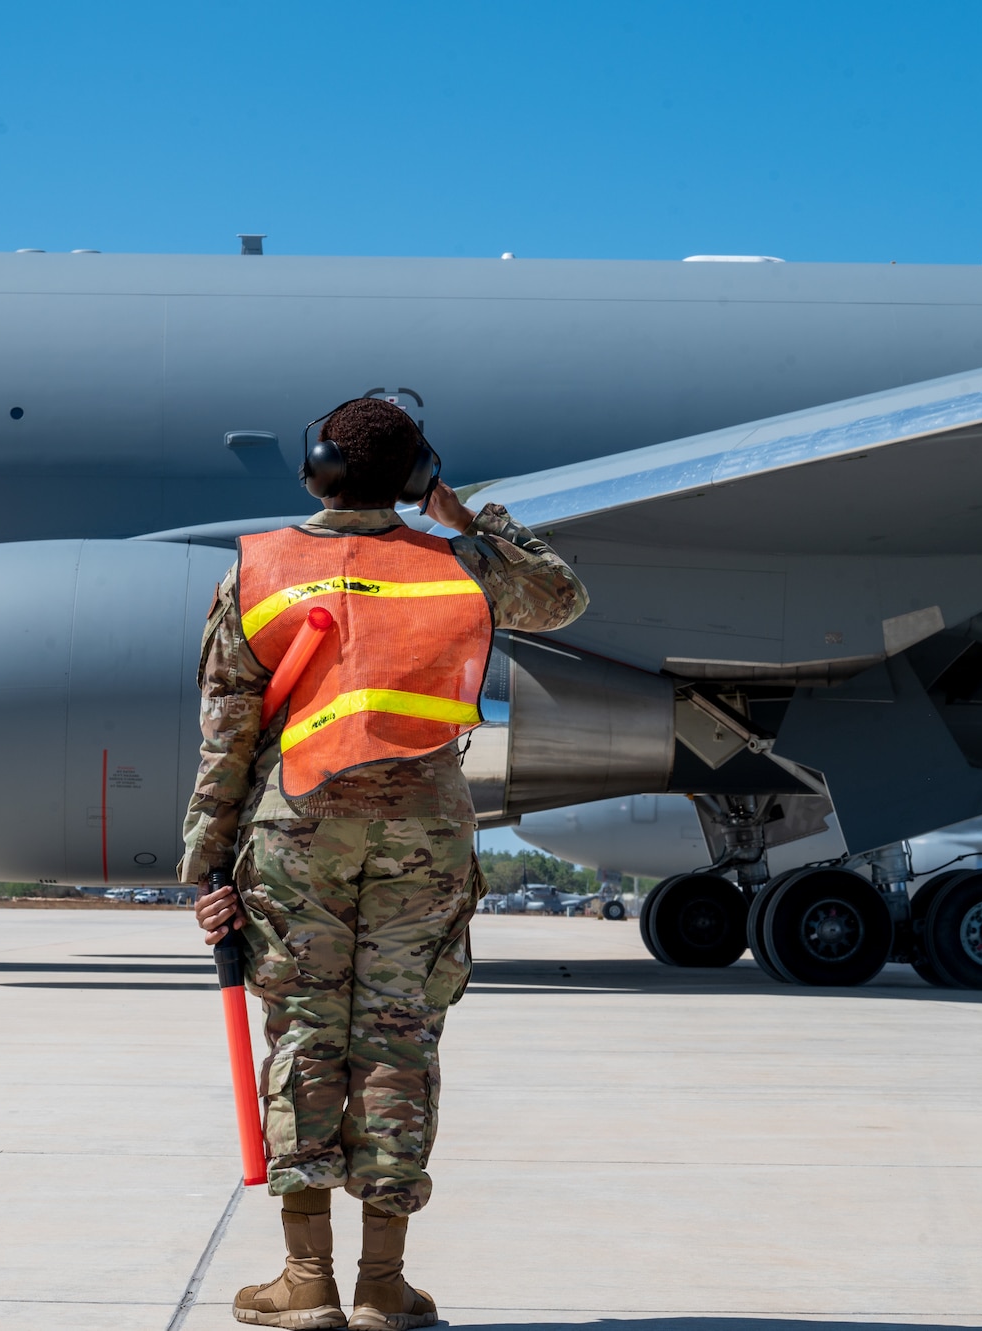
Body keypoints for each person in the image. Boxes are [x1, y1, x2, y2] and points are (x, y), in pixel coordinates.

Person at [180, 396, 587, 1330]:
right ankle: (382, 1286)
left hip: (297, 832)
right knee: (401, 1038)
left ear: (314, 466)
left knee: (306, 1035)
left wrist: (208, 869)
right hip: (426, 831)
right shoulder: (458, 565)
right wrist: (463, 512)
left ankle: (305, 1281)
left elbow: (227, 737)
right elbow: (560, 595)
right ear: (416, 473)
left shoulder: (258, 569)